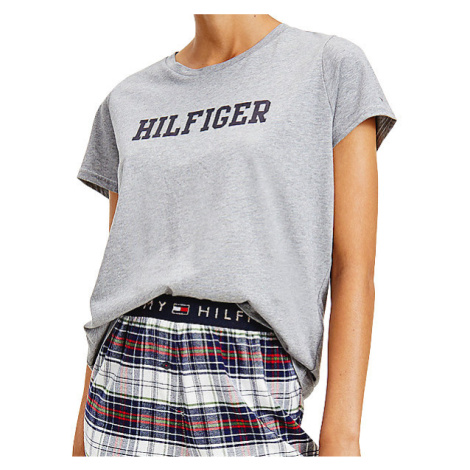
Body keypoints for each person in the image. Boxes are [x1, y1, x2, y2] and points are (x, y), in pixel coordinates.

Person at [72, 14, 396, 457]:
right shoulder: (126, 99)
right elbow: (118, 279)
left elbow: (353, 269)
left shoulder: (330, 66)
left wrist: (342, 441)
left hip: (249, 376)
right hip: (121, 384)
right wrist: (78, 447)